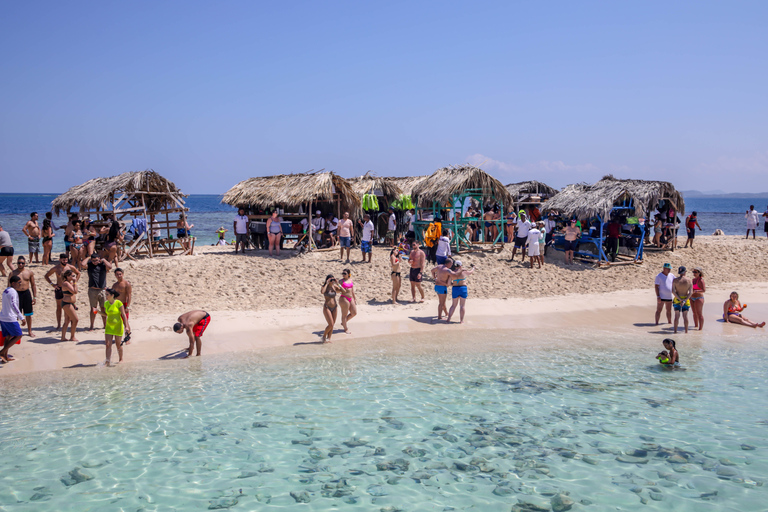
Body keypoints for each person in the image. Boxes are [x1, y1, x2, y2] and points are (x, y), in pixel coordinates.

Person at [44, 254, 80, 329]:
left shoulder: (70, 267)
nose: (65, 261)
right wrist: (52, 284)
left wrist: (74, 282)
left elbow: (78, 273)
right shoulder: (56, 268)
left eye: (66, 260)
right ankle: (59, 324)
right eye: (63, 260)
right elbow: (46, 276)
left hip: (68, 289)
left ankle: (66, 323)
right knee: (59, 307)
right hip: (59, 288)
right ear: (60, 260)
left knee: (68, 306)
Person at [100, 287, 131, 366]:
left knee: (118, 344)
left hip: (118, 326)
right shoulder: (106, 303)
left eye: (107, 294)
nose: (106, 296)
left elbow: (123, 315)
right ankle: (107, 361)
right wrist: (98, 312)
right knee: (107, 344)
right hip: (109, 326)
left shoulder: (118, 303)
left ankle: (121, 359)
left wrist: (126, 326)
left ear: (112, 295)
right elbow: (106, 314)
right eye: (105, 294)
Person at [8, 257, 36, 338]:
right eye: (19, 263)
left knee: (28, 314)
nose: (20, 264)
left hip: (26, 293)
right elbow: (9, 286)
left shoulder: (29, 272)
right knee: (16, 314)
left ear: (25, 263)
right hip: (16, 294)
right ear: (17, 263)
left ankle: (29, 331)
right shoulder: (13, 273)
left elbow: (33, 285)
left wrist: (34, 297)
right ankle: (16, 331)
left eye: (22, 263)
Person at [82, 253, 111, 330]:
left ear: (99, 259)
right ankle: (92, 325)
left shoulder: (103, 265)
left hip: (102, 290)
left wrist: (104, 260)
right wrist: (88, 257)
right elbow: (82, 264)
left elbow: (110, 267)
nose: (95, 262)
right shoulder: (90, 265)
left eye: (96, 260)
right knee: (93, 309)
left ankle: (105, 325)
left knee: (103, 308)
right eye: (93, 260)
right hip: (92, 290)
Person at [0, 276, 25, 363]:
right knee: (19, 335)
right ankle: (2, 352)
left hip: (3, 317)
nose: (20, 284)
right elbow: (14, 305)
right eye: (19, 282)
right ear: (13, 283)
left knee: (8, 336)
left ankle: (5, 356)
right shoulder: (13, 291)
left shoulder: (6, 290)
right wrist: (21, 317)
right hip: (9, 318)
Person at [431, 256, 455, 322]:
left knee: (442, 302)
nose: (451, 265)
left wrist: (434, 278)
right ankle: (439, 316)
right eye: (451, 264)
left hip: (437, 286)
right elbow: (455, 275)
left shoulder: (439, 266)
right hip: (442, 287)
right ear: (448, 263)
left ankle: (446, 313)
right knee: (441, 303)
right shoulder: (447, 270)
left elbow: (432, 271)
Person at [320, 275, 342, 343]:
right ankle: (324, 336)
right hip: (327, 307)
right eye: (331, 280)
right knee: (331, 324)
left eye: (332, 280)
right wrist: (326, 283)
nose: (332, 281)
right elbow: (322, 292)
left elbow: (342, 290)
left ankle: (328, 339)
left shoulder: (334, 286)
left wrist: (337, 283)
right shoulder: (324, 287)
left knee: (333, 324)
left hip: (335, 307)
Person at [60, 269, 79, 341]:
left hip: (70, 303)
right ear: (67, 276)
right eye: (72, 276)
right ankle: (72, 336)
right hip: (66, 303)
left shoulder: (69, 283)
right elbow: (75, 291)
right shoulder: (66, 283)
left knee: (67, 320)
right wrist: (75, 282)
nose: (74, 277)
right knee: (75, 320)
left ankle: (63, 337)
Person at [672, 266, 692, 334]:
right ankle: (686, 331)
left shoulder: (675, 280)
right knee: (685, 316)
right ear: (685, 272)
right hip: (685, 299)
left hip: (677, 299)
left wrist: (679, 299)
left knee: (676, 316)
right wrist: (685, 300)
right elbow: (691, 292)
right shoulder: (689, 280)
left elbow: (673, 291)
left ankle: (675, 331)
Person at [339, 268, 357, 334]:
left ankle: (343, 322)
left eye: (345, 273)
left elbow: (352, 290)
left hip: (351, 298)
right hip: (344, 298)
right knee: (344, 314)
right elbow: (337, 289)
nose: (343, 274)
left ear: (348, 274)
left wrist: (354, 298)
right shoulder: (341, 281)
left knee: (354, 312)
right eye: (342, 273)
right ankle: (345, 329)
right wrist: (341, 288)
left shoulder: (350, 280)